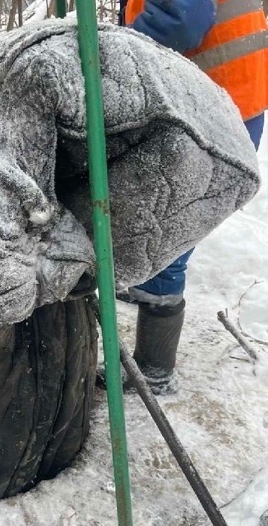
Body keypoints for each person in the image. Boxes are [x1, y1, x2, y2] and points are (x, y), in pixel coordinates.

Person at [113, 0, 267, 394]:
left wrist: (113, 51)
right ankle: (146, 284)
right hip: (227, 96)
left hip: (219, 107)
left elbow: (182, 19)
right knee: (161, 212)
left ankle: (153, 369)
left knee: (168, 227)